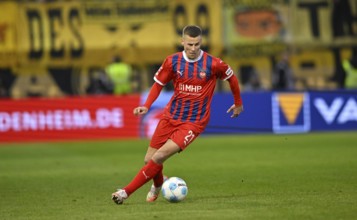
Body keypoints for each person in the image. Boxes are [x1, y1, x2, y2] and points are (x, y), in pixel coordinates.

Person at [111, 25, 244, 205]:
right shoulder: (172, 61)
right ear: (182, 42)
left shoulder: (213, 64)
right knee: (149, 160)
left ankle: (125, 193)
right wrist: (146, 106)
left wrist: (238, 103)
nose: (193, 48)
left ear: (201, 42)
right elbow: (158, 84)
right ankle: (158, 185)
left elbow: (232, 78)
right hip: (170, 116)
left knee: (159, 157)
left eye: (197, 44)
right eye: (189, 44)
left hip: (194, 122)